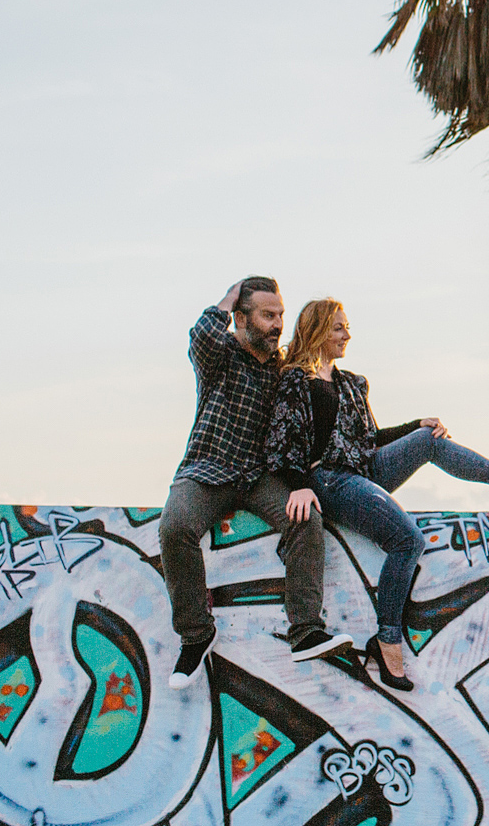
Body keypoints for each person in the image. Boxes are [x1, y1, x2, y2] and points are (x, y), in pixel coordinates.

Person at [267, 297, 489, 690]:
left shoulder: (351, 383)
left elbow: (369, 438)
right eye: (339, 327)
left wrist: (414, 425)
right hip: (329, 480)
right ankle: (387, 640)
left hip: (362, 468)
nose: (347, 334)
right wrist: (300, 484)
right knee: (407, 540)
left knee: (429, 438)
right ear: (319, 330)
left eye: (347, 326)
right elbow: (281, 443)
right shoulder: (294, 380)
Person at [159, 278, 354, 691]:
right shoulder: (220, 354)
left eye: (280, 315)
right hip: (208, 469)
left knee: (305, 519)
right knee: (175, 527)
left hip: (259, 475)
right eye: (268, 316)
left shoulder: (282, 367)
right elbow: (201, 334)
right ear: (241, 318)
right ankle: (196, 635)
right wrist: (231, 296)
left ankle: (305, 631)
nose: (277, 324)